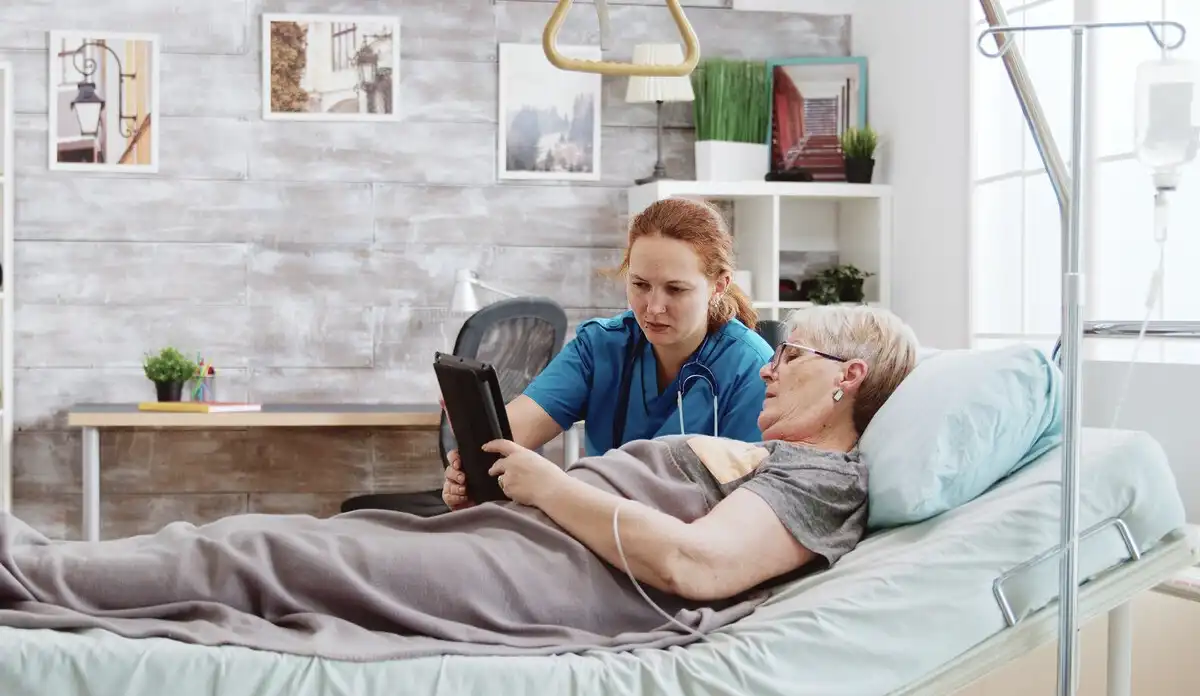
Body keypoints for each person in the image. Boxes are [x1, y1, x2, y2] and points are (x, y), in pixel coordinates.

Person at [0, 305, 919, 658]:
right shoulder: (766, 449)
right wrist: (512, 488)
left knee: (261, 553)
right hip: (525, 544)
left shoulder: (824, 477)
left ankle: (28, 572)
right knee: (265, 549)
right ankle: (33, 567)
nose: (768, 366)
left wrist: (545, 488)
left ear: (846, 377)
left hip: (554, 574)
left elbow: (696, 565)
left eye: (792, 354)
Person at [443, 197, 776, 510]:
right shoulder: (601, 346)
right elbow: (510, 435)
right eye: (640, 285)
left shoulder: (750, 367)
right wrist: (474, 450)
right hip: (594, 531)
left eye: (675, 289)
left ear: (719, 284)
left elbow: (745, 505)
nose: (653, 307)